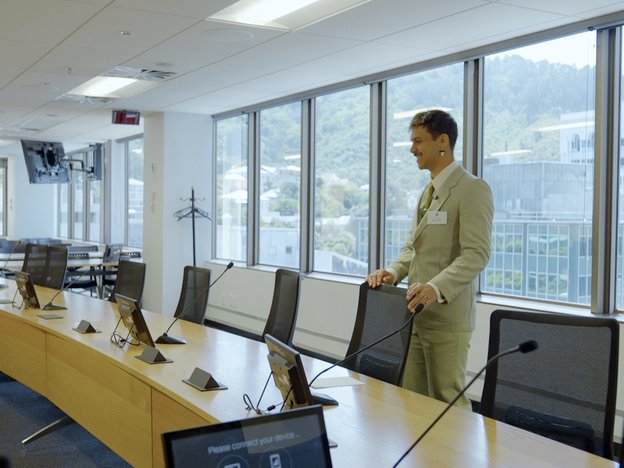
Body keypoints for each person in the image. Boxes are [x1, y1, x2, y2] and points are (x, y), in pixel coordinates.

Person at [367, 109, 493, 410]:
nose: (413, 149)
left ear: (443, 141)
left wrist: (435, 288)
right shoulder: (428, 192)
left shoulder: (472, 189)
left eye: (418, 141)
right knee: (413, 401)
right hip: (416, 314)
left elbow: (476, 254)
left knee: (448, 404)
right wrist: (392, 271)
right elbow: (414, 248)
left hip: (447, 318)